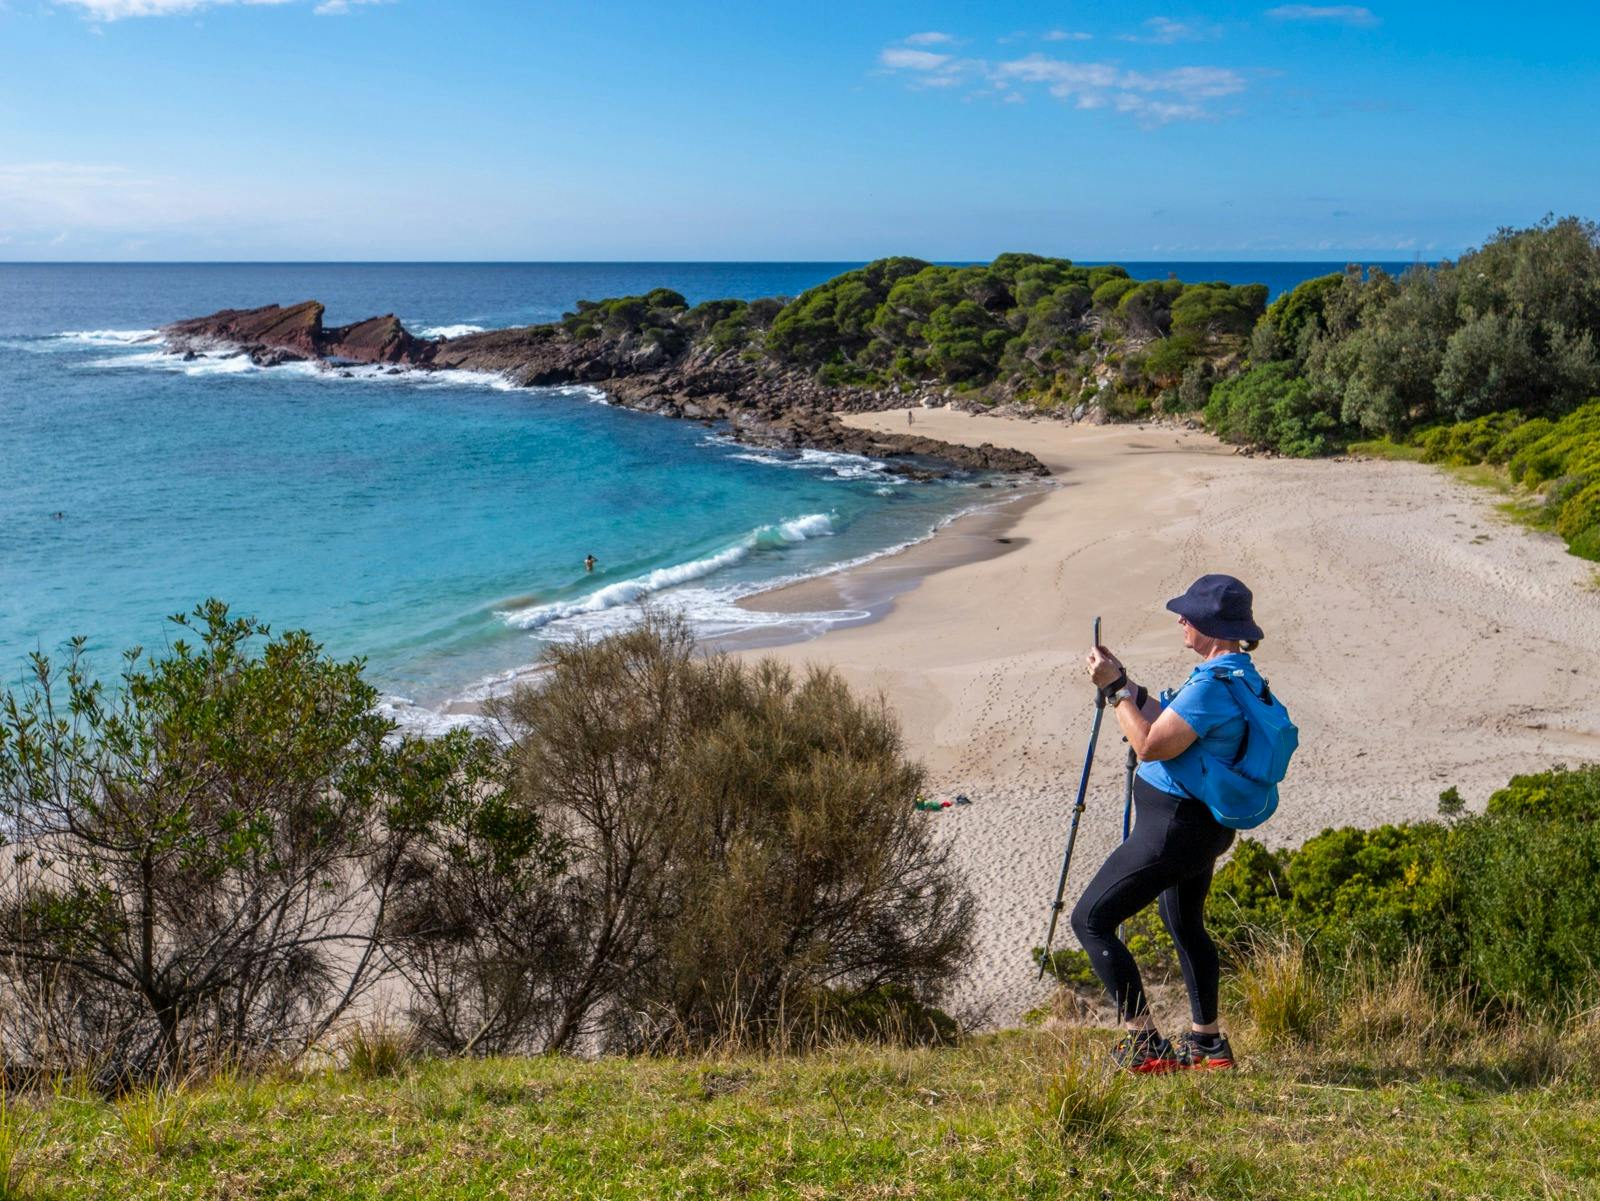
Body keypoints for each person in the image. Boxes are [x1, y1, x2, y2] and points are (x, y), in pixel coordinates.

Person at [1072, 574, 1266, 1073]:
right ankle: (1207, 1045)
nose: (1181, 620)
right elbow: (1173, 722)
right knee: (1183, 923)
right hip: (1201, 828)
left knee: (1091, 921)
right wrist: (1127, 683)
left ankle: (1146, 1045)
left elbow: (1150, 744)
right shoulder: (1236, 674)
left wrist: (1115, 692)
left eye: (1190, 615)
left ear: (1215, 627)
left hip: (1173, 829)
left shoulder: (1213, 686)